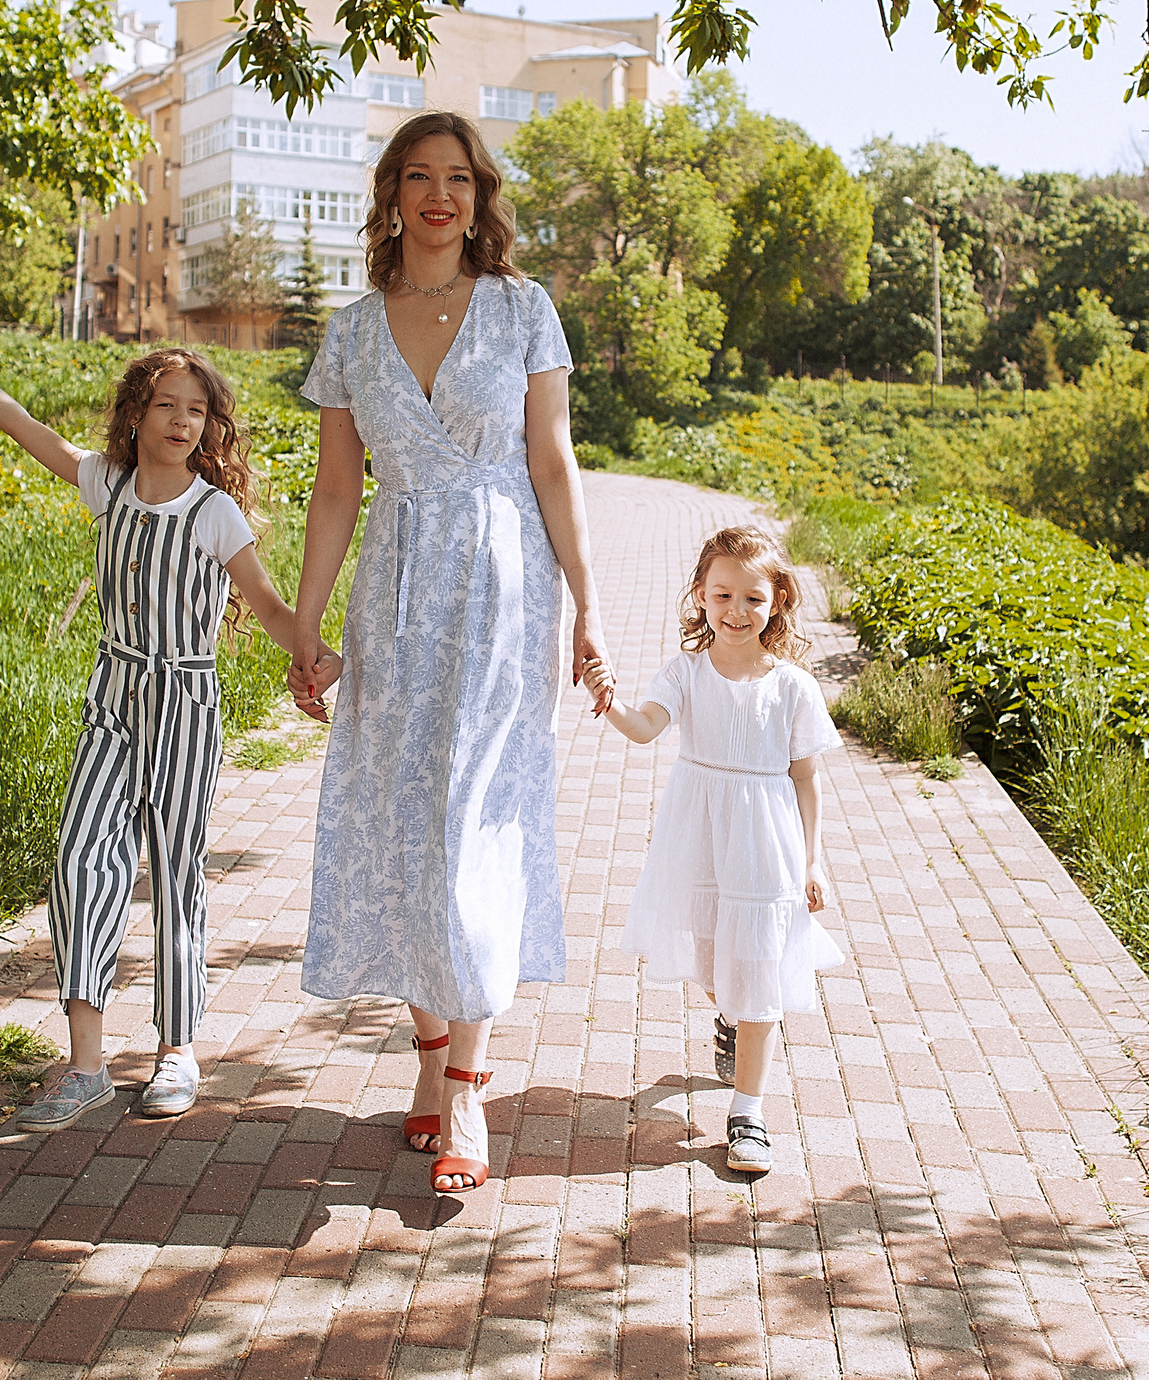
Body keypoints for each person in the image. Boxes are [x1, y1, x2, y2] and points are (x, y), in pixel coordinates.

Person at [285, 112, 612, 1194]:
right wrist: (304, 625)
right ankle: (431, 1060)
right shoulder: (349, 330)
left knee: (472, 820)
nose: (440, 196)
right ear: (389, 194)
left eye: (459, 178)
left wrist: (588, 605)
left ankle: (466, 1087)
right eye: (419, 177)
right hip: (395, 588)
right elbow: (338, 493)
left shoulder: (522, 309)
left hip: (502, 589)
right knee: (406, 826)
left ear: (481, 195)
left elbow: (553, 463)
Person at [0, 312, 304, 1127]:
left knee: (176, 873)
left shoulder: (215, 513)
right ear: (136, 416)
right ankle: (84, 1066)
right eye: (167, 406)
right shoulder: (104, 483)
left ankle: (176, 1048)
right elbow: (23, 426)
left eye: (198, 411)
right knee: (81, 858)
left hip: (185, 702)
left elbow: (273, 608)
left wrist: (321, 653)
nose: (183, 422)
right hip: (113, 695)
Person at [591, 524, 843, 1177]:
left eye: (753, 599)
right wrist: (612, 701)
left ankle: (748, 1111)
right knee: (714, 962)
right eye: (722, 594)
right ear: (700, 596)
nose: (736, 611)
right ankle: (730, 1015)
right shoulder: (685, 671)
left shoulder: (791, 686)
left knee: (758, 972)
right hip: (700, 833)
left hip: (766, 845)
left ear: (777, 601)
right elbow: (647, 728)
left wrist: (813, 859)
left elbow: (807, 776)